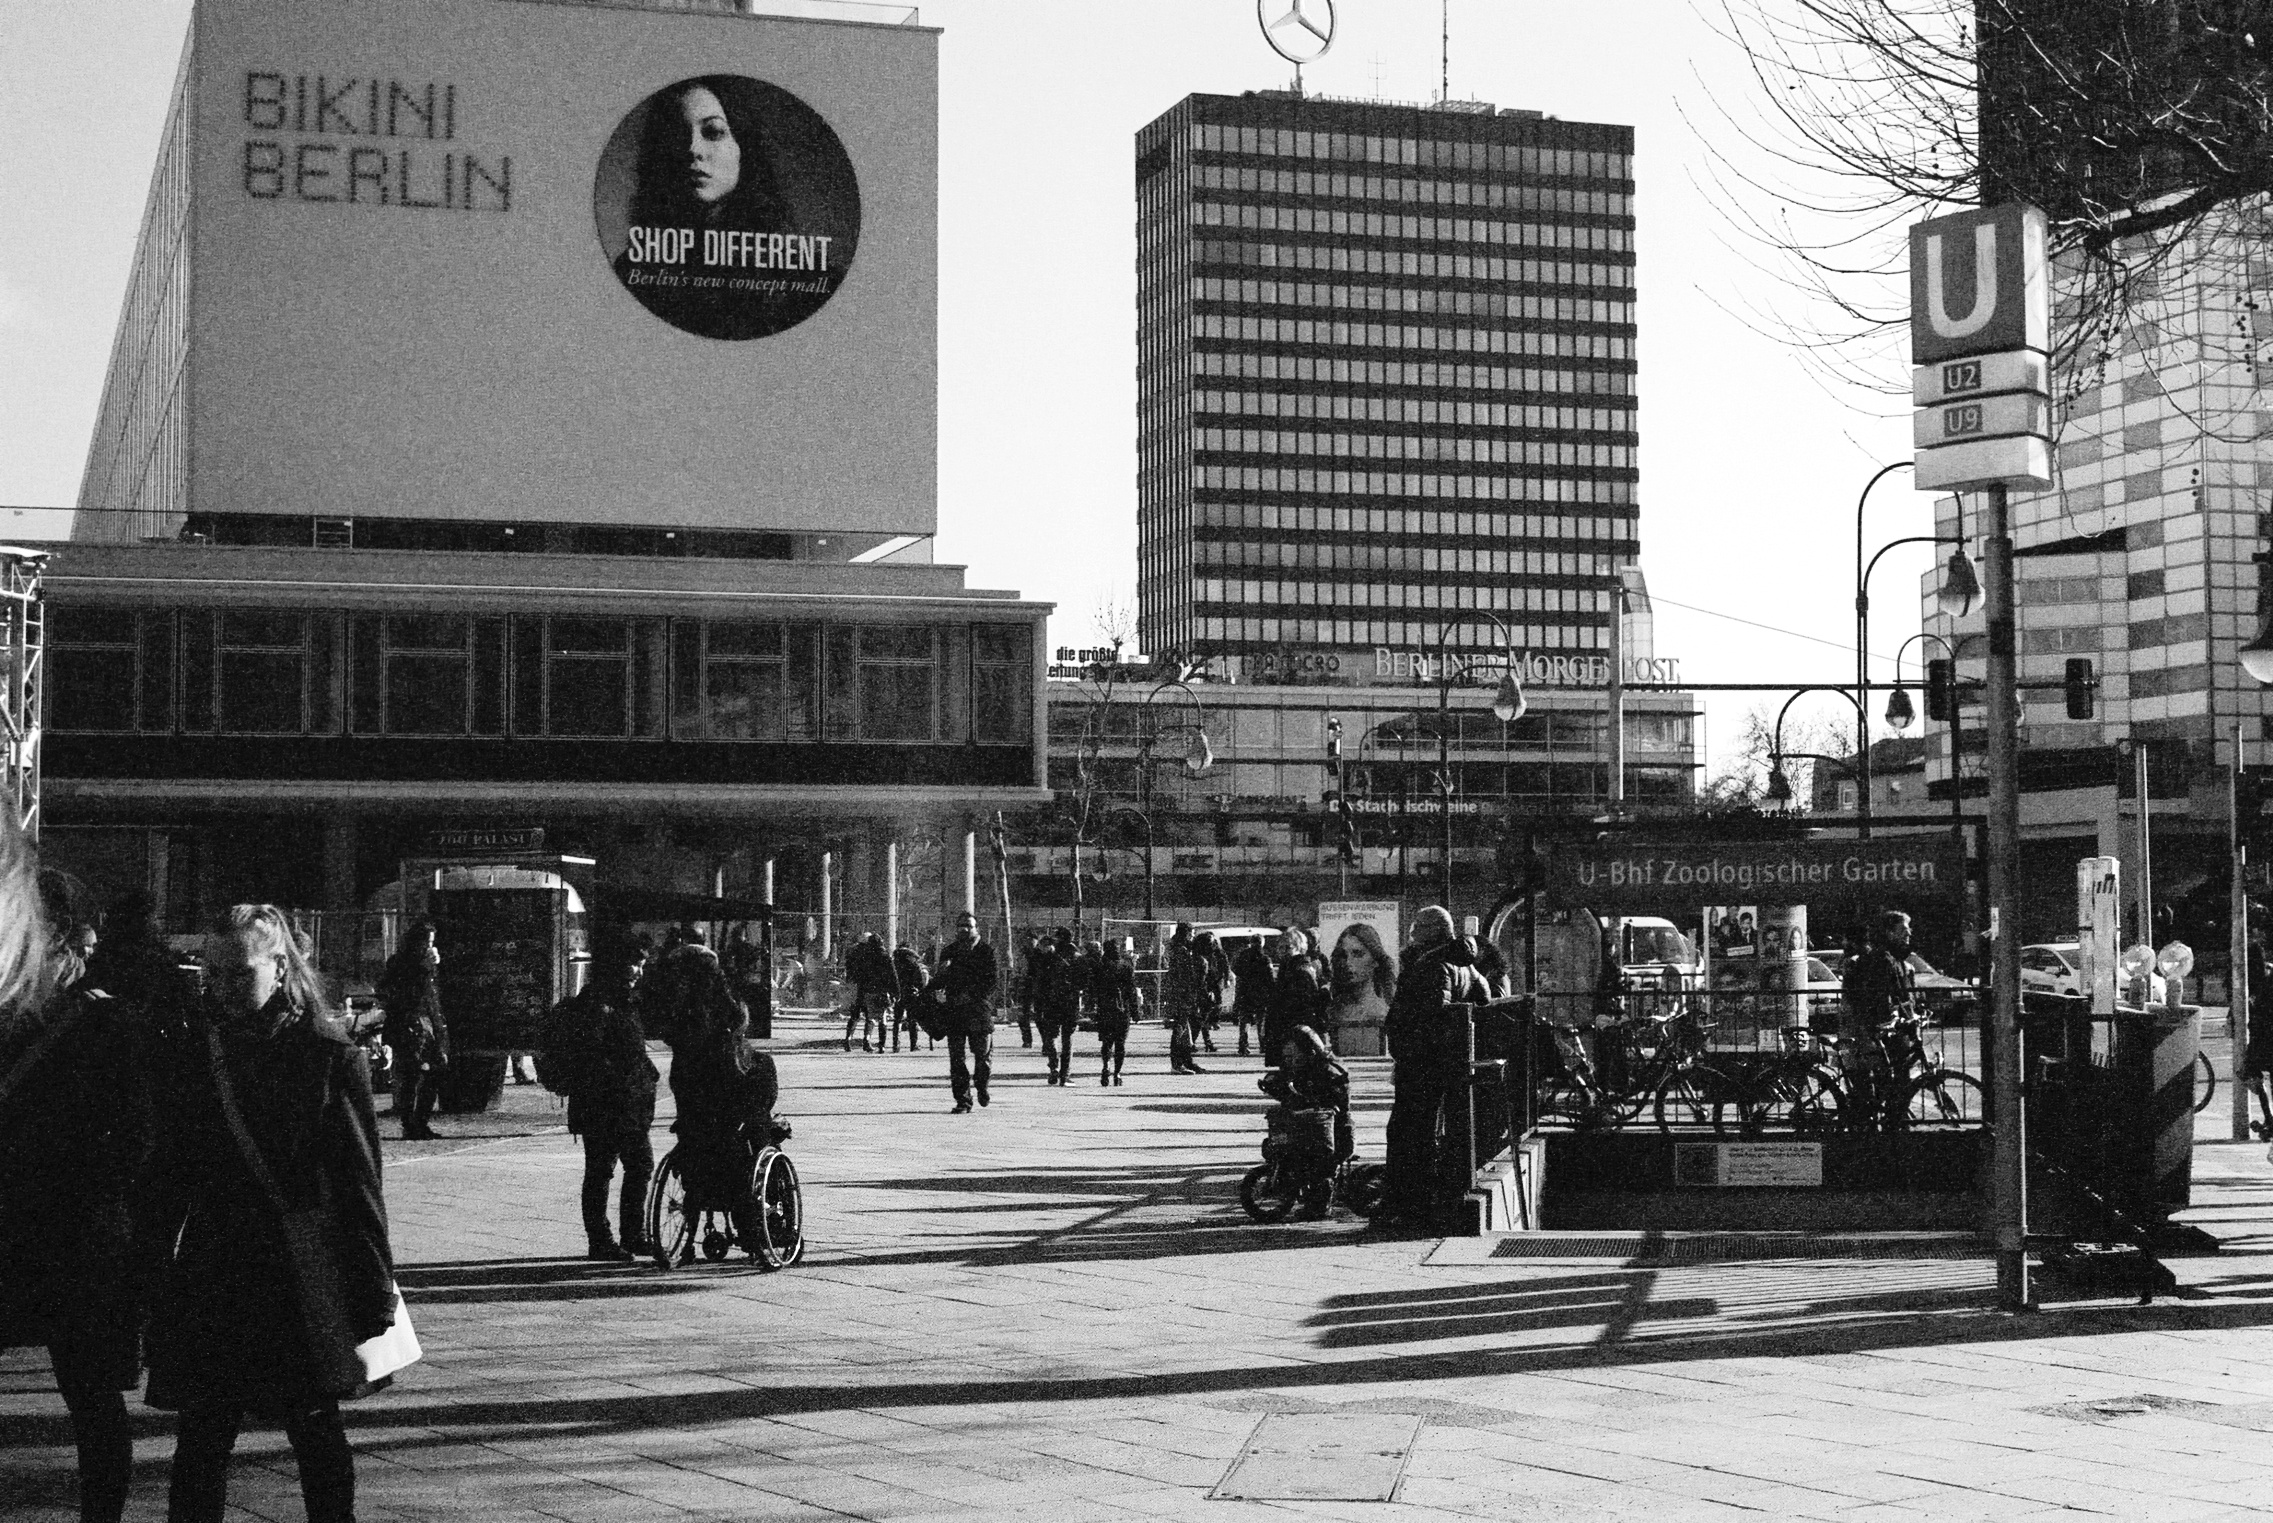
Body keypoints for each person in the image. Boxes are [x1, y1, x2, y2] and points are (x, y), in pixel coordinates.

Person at [144, 904, 397, 1523]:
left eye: (239, 972)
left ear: (281, 966)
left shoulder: (327, 1055)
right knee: (203, 1434)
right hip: (214, 1266)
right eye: (212, 974)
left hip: (296, 1268)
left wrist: (372, 1287)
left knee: (312, 1425)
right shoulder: (194, 1053)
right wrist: (148, 1269)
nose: (222, 988)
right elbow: (168, 1175)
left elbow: (359, 1184)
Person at [0, 821, 149, 1523]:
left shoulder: (32, 1023)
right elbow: (137, 1141)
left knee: (91, 1397)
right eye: (78, 949)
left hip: (37, 1231)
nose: (85, 963)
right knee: (92, 1398)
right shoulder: (107, 1025)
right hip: (81, 1239)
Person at [1377, 906, 1493, 1230]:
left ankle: (1407, 1205)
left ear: (1432, 931)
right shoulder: (1466, 965)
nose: (1412, 934)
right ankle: (1419, 1200)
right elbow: (1486, 999)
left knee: (1407, 1132)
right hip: (1443, 1064)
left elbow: (1428, 1013)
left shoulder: (1432, 964)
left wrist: (1406, 1042)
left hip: (1422, 1064)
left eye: (1417, 928)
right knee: (1423, 1131)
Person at [550, 942, 657, 1262]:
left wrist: (645, 1074)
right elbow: (594, 1057)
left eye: (641, 965)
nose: (638, 972)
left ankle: (631, 1234)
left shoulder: (624, 1001)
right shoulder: (597, 1004)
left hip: (627, 1104)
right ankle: (602, 1240)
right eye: (633, 964)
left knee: (637, 1166)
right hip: (605, 1104)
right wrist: (624, 1079)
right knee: (602, 1171)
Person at [665, 965, 778, 1238]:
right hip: (739, 1148)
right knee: (767, 1137)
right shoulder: (756, 1062)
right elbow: (765, 1101)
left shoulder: (691, 1059)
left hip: (697, 1146)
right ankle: (761, 1222)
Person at [1841, 909, 1918, 1118]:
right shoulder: (1882, 960)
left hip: (1890, 1031)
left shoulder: (1896, 959)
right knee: (1888, 1083)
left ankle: (1891, 1121)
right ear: (1889, 932)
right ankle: (1889, 1125)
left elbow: (1901, 994)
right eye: (1903, 930)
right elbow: (1878, 998)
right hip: (1881, 1032)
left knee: (1894, 1081)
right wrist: (1892, 1019)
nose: (1909, 933)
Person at [375, 922, 447, 1141]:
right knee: (411, 1075)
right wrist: (425, 968)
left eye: (431, 943)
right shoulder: (402, 963)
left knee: (432, 1071)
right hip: (409, 1023)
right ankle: (410, 1123)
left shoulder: (425, 964)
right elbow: (406, 991)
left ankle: (420, 1121)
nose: (429, 947)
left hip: (426, 1021)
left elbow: (431, 995)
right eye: (426, 942)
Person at [929, 910, 998, 1113]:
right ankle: (963, 1100)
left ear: (977, 928)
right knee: (957, 1058)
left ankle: (982, 1085)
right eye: (961, 926)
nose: (964, 929)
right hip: (955, 1011)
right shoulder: (949, 951)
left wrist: (973, 995)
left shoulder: (986, 951)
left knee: (982, 1057)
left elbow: (992, 982)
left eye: (969, 925)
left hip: (979, 1011)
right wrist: (932, 987)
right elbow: (940, 979)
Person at [1326, 922, 1395, 1058]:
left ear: (1375, 960)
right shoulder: (1332, 1009)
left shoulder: (1385, 1009)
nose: (1348, 963)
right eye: (1343, 955)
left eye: (1358, 954)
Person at [1264, 926, 1328, 1069]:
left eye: (1288, 947)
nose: (1283, 951)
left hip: (1295, 1028)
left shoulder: (1301, 969)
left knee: (1296, 1066)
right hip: (1287, 1027)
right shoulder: (1288, 968)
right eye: (1280, 947)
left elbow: (1306, 1002)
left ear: (1299, 947)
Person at [1034, 926, 1085, 1085]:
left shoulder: (1049, 957)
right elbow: (1083, 981)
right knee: (1067, 1037)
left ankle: (1053, 1067)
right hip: (1070, 1001)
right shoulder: (1077, 957)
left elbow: (1040, 980)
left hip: (1051, 1000)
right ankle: (1065, 1074)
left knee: (1051, 1035)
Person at [842, 931, 897, 1053]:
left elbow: (852, 970)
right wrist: (894, 991)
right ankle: (870, 1041)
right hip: (875, 989)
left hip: (858, 987)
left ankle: (848, 1038)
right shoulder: (880, 954)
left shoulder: (855, 953)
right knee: (874, 1017)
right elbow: (892, 975)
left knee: (855, 1015)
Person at [1094, 938, 1138, 1086]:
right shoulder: (1126, 965)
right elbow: (1131, 990)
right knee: (1120, 1043)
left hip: (1105, 1008)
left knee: (1106, 1042)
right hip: (1122, 1008)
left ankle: (1106, 1067)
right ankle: (1117, 1073)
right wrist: (1135, 1010)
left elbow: (1094, 988)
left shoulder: (1100, 966)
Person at [1163, 922, 1204, 1074]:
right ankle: (1176, 1063)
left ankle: (1186, 1061)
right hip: (1181, 994)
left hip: (1181, 993)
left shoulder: (1179, 949)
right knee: (1180, 1027)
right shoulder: (1181, 951)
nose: (1192, 937)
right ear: (1185, 934)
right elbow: (1184, 975)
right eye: (1191, 934)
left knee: (1186, 1027)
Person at [1229, 933, 1278, 1059]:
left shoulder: (1242, 956)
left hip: (1244, 992)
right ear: (1262, 943)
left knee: (1244, 1021)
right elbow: (1269, 977)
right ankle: (1263, 1045)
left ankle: (1243, 1046)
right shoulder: (1265, 958)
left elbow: (1235, 969)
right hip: (1260, 993)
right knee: (1261, 1021)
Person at [891, 942, 931, 1052]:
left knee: (897, 1019)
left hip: (898, 993)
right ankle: (913, 1044)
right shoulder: (913, 963)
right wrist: (920, 991)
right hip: (911, 993)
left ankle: (895, 1044)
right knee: (912, 1019)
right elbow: (919, 981)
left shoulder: (894, 964)